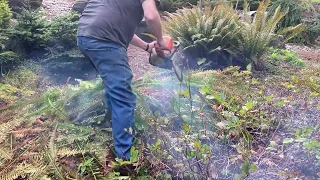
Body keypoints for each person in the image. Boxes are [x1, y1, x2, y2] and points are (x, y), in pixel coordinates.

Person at [76, 0, 166, 161]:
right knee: (123, 97)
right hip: (105, 40)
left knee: (114, 87)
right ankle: (125, 158)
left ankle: (110, 128)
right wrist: (161, 41)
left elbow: (120, 26)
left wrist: (147, 47)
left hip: (86, 36)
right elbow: (151, 16)